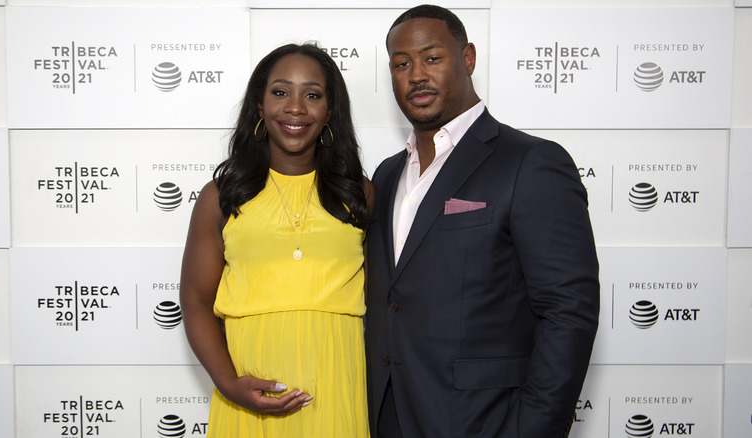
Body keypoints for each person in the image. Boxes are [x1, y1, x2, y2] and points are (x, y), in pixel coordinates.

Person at [365, 5, 600, 437]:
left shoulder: (530, 162)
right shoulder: (386, 174)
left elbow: (568, 311)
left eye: (432, 58)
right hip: (390, 420)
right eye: (402, 64)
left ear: (467, 57)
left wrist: (533, 428)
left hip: (486, 423)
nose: (416, 74)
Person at [180, 43, 373, 437]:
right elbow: (196, 301)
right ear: (259, 106)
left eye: (313, 95)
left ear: (330, 111)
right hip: (249, 399)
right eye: (281, 92)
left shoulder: (360, 194)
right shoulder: (220, 196)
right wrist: (229, 383)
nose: (296, 108)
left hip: (336, 391)